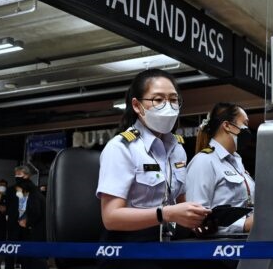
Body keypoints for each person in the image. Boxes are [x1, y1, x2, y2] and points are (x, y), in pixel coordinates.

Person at [96, 68, 211, 269]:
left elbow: (181, 204)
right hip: (129, 249)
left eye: (174, 100)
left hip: (168, 243)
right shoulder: (121, 148)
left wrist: (197, 218)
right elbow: (111, 218)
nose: (168, 106)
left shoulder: (177, 149)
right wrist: (166, 214)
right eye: (158, 100)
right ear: (137, 106)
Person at [185, 102, 255, 269]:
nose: (248, 129)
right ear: (227, 126)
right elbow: (197, 222)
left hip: (245, 249)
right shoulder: (204, 161)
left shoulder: (237, 162)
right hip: (215, 257)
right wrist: (244, 225)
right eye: (244, 124)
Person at [5, 165, 33, 269]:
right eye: (16, 174)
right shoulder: (10, 190)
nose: (17, 176)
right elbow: (8, 206)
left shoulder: (32, 190)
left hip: (28, 224)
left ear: (27, 175)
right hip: (13, 224)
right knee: (11, 248)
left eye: (19, 174)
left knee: (25, 249)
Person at [15, 179, 47, 269]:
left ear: (24, 188)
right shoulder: (36, 195)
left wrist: (26, 223)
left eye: (18, 190)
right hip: (39, 231)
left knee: (36, 258)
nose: (17, 192)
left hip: (37, 231)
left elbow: (36, 213)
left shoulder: (33, 196)